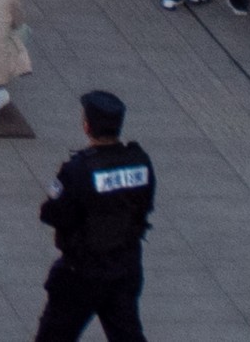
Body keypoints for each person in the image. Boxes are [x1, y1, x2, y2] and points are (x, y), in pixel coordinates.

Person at [32, 89, 157, 342]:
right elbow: (144, 205)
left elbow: (53, 213)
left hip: (82, 272)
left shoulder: (78, 170)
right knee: (127, 335)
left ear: (87, 126)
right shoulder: (140, 162)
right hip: (125, 265)